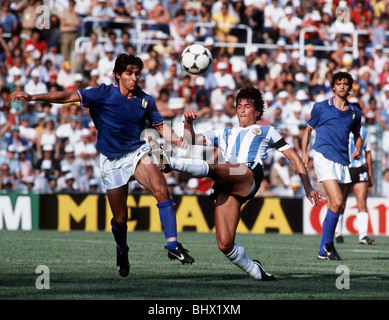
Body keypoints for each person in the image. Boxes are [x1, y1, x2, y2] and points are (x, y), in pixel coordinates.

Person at [11, 53, 194, 278]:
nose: (134, 78)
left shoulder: (146, 99)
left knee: (161, 189)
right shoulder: (103, 93)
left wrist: (175, 138)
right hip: (111, 160)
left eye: (137, 73)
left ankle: (172, 246)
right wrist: (33, 97)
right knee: (120, 219)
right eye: (129, 73)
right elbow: (67, 96)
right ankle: (122, 250)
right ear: (118, 75)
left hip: (137, 152)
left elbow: (159, 126)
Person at [155, 87, 325, 281]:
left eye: (247, 106)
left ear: (258, 112)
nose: (242, 110)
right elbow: (190, 140)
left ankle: (171, 163)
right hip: (227, 183)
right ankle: (256, 271)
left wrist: (308, 186)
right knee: (225, 244)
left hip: (248, 174)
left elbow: (294, 157)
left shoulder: (268, 131)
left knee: (218, 165)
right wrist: (187, 122)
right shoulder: (225, 132)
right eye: (239, 107)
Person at [301, 71, 363, 261]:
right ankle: (329, 245)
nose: (342, 86)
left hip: (343, 160)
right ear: (333, 87)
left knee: (337, 204)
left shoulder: (354, 112)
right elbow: (308, 130)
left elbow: (357, 135)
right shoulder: (321, 107)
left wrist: (358, 148)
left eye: (346, 83)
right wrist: (305, 153)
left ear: (350, 87)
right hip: (323, 156)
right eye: (339, 83)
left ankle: (323, 251)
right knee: (336, 200)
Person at [336, 122, 375, 245]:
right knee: (341, 202)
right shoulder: (340, 127)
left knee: (362, 202)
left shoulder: (364, 130)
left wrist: (370, 173)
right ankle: (338, 232)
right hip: (344, 166)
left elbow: (368, 152)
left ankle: (363, 235)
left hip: (359, 168)